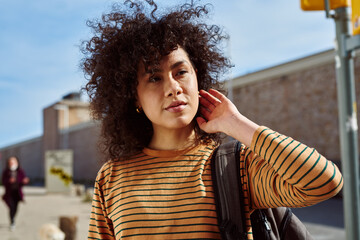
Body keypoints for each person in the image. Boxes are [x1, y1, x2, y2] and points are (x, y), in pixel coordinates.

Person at [82, 1, 343, 239]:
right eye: (154, 77)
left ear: (198, 77)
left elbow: (324, 182)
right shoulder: (112, 177)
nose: (173, 88)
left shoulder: (235, 166)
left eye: (181, 72)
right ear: (134, 97)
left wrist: (235, 123)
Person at [2, 156, 29, 231]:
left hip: (17, 193)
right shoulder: (6, 172)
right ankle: (12, 222)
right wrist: (9, 181)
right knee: (11, 207)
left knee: (16, 208)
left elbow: (23, 181)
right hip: (9, 193)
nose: (12, 163)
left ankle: (13, 218)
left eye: (14, 162)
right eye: (11, 162)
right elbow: (3, 181)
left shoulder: (20, 171)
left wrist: (24, 181)